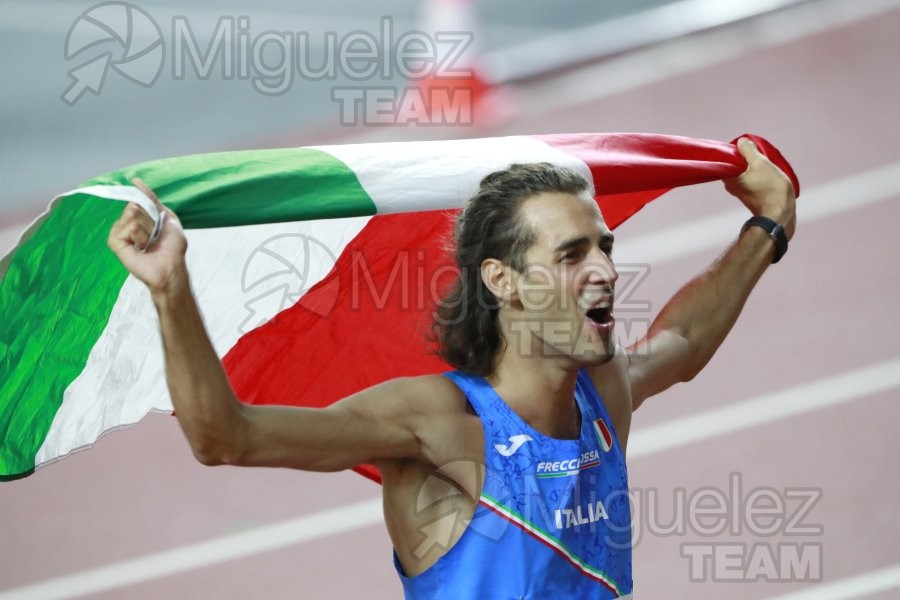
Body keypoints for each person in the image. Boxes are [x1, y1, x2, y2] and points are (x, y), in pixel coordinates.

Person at [107, 137, 796, 599]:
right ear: (503, 280)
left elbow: (681, 343)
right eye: (572, 254)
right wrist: (170, 289)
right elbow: (227, 437)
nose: (607, 271)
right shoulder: (436, 424)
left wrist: (767, 228)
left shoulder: (599, 398)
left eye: (605, 248)